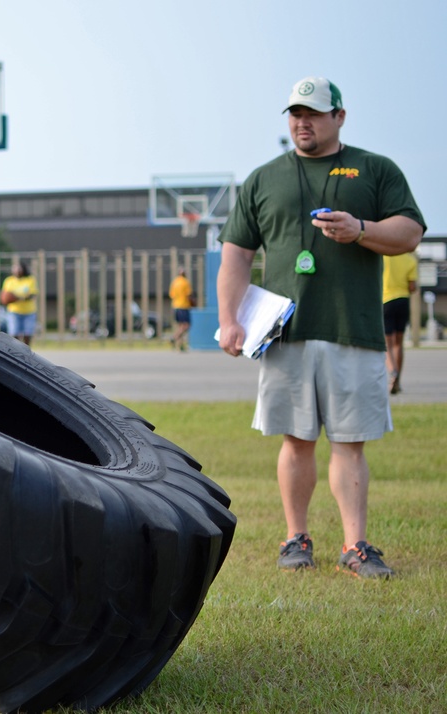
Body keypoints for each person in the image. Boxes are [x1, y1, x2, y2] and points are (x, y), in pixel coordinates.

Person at [216, 76, 424, 580]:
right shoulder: (264, 179)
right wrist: (228, 318)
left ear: (339, 117)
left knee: (350, 443)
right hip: (285, 333)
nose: (302, 122)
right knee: (296, 440)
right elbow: (236, 254)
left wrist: (361, 229)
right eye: (295, 113)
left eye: (312, 113)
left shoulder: (374, 169)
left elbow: (410, 232)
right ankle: (296, 538)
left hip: (353, 329)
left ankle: (355, 545)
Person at [382, 251, 418, 394]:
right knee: (398, 343)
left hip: (386, 300)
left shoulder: (384, 257)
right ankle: (398, 380)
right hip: (403, 301)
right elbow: (412, 287)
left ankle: (393, 373)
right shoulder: (410, 260)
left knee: (388, 343)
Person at [1, 260, 38, 346]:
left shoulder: (30, 280)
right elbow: (5, 296)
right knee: (14, 333)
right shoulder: (9, 281)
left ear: (23, 269)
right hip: (14, 311)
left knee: (28, 333)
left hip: (28, 312)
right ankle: (16, 349)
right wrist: (18, 297)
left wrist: (17, 297)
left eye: (18, 268)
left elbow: (32, 295)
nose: (16, 270)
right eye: (14, 268)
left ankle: (26, 349)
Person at [168, 268, 194, 351]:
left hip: (176, 306)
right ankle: (174, 337)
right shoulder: (185, 282)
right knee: (186, 325)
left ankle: (180, 345)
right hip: (184, 306)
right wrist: (193, 303)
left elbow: (171, 295)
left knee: (180, 326)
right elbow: (188, 295)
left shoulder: (175, 282)